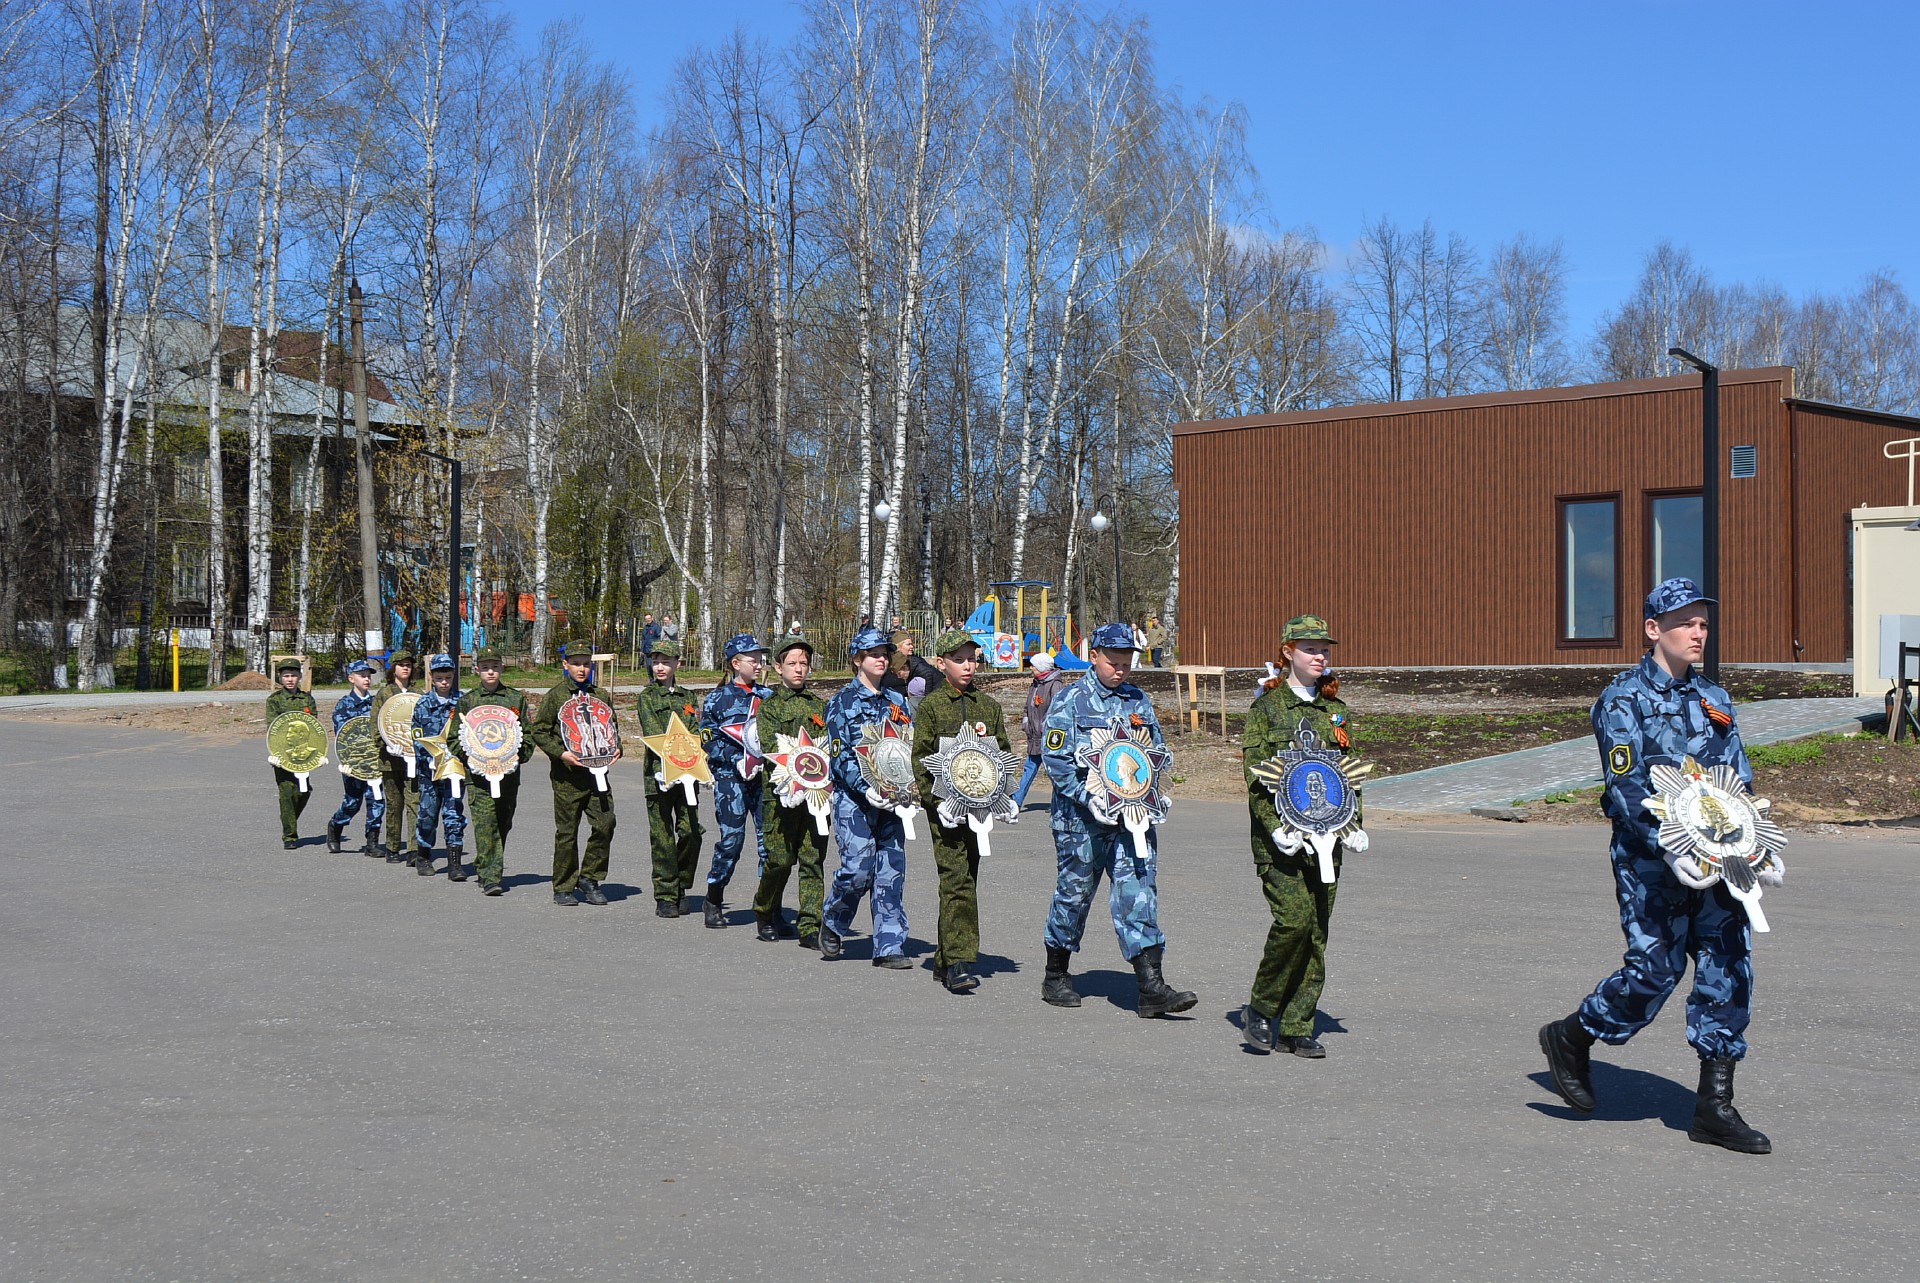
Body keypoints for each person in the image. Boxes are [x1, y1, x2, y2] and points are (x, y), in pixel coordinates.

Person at [1538, 578, 1779, 1154]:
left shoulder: (1716, 701)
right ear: (1653, 630)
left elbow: (1736, 784)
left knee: (1729, 970)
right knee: (1655, 971)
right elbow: (1624, 791)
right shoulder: (1622, 702)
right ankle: (1573, 1035)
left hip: (1716, 863)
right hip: (1652, 861)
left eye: (1703, 622)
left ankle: (1714, 1107)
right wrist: (1676, 849)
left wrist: (1749, 849)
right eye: (1685, 623)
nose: (1698, 632)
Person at [1039, 621, 1195, 1018]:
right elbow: (1056, 761)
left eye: (1127, 662)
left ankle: (1150, 986)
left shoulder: (1137, 701)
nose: (1120, 669)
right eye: (1113, 661)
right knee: (1074, 896)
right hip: (1082, 821)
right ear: (1094, 657)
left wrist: (1150, 793)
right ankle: (1056, 972)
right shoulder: (1069, 700)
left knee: (1138, 892)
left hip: (1132, 820)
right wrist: (1088, 799)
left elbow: (1154, 751)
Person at [1238, 615, 1365, 1058]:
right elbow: (1256, 780)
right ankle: (1261, 1006)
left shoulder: (1336, 712)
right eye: (1310, 648)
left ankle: (1297, 1024)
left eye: (1325, 649)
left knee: (1316, 931)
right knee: (1293, 921)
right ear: (1288, 652)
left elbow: (1348, 777)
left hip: (1328, 840)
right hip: (1281, 845)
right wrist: (1276, 831)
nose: (1319, 656)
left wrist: (1355, 826)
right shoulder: (1267, 710)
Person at [913, 630, 1013, 994]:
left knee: (967, 877)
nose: (968, 665)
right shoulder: (932, 707)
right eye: (959, 658)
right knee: (956, 880)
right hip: (945, 812)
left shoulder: (989, 707)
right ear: (942, 663)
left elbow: (1001, 755)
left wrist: (1006, 795)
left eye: (972, 658)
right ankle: (959, 961)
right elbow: (921, 759)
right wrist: (936, 804)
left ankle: (944, 957)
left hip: (980, 812)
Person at [820, 626, 913, 967]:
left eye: (885, 653)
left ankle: (889, 945)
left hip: (891, 801)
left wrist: (909, 790)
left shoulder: (897, 701)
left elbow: (906, 748)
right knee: (858, 870)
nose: (881, 659)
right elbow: (839, 754)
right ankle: (833, 920)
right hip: (854, 801)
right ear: (858, 660)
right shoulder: (842, 702)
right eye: (873, 654)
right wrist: (866, 788)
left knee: (890, 871)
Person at [530, 637, 619, 907]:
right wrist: (561, 753)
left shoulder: (600, 695)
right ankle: (564, 885)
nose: (582, 669)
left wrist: (617, 750)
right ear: (565, 664)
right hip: (568, 777)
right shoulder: (556, 696)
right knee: (567, 832)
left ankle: (590, 877)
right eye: (576, 664)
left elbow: (611, 727)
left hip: (597, 775)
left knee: (605, 823)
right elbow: (540, 731)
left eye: (586, 664)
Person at [753, 635, 830, 944]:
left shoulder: (819, 706)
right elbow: (772, 748)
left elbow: (827, 747)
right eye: (792, 663)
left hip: (816, 797)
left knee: (813, 859)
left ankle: (810, 925)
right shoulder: (769, 708)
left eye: (804, 664)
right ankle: (765, 909)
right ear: (778, 667)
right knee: (780, 860)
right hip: (781, 796)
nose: (799, 669)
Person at [699, 633, 772, 927]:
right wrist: (734, 759)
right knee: (732, 840)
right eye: (752, 659)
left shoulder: (767, 697)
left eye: (760, 659)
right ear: (735, 663)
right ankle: (713, 898)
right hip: (731, 779)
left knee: (769, 844)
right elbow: (707, 739)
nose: (758, 664)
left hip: (763, 778)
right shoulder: (717, 699)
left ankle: (768, 906)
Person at [455, 648, 535, 896]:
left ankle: (485, 862)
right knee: (484, 823)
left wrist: (516, 758)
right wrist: (473, 758)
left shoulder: (514, 699)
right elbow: (453, 739)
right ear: (477, 670)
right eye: (485, 667)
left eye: (495, 666)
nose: (490, 671)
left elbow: (527, 734)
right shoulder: (467, 701)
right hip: (478, 777)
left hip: (508, 775)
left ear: (502, 668)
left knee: (503, 822)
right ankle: (491, 876)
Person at [637, 639, 704, 916]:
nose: (660, 667)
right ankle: (666, 894)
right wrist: (681, 751)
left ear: (678, 663)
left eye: (666, 661)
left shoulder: (688, 698)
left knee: (691, 831)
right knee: (662, 836)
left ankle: (681, 885)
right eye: (656, 661)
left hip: (688, 775)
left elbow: (695, 730)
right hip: (659, 776)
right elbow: (657, 734)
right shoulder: (647, 697)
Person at [412, 653, 467, 879]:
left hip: (454, 770)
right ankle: (424, 855)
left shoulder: (462, 702)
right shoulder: (423, 704)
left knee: (454, 814)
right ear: (431, 678)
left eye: (448, 677)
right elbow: (417, 737)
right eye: (439, 678)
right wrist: (428, 760)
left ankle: (455, 863)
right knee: (427, 814)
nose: (444, 682)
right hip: (430, 772)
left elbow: (469, 734)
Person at [325, 659, 386, 857]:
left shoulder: (376, 702)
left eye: (369, 675)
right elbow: (342, 735)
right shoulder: (344, 705)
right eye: (362, 675)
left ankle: (372, 842)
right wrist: (344, 761)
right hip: (353, 761)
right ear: (351, 678)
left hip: (374, 761)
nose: (367, 679)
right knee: (352, 802)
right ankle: (335, 826)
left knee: (376, 800)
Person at [373, 651, 422, 868]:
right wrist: (385, 744)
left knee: (415, 803)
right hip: (390, 759)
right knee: (394, 804)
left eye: (408, 665)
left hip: (413, 759)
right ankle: (392, 847)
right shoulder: (384, 694)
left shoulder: (418, 694)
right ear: (393, 668)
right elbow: (376, 725)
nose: (405, 668)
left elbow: (424, 723)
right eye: (401, 665)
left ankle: (413, 849)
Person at [266, 657, 317, 849]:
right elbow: (273, 727)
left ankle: (288, 818)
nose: (290, 679)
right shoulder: (275, 700)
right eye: (286, 676)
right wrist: (276, 753)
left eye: (293, 676)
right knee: (287, 792)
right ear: (280, 678)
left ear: (299, 677)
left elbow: (314, 726)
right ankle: (290, 836)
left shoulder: (307, 699)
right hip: (283, 752)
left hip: (304, 752)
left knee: (304, 790)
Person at [1010, 651, 1065, 817]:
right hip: (1034, 736)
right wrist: (1026, 722)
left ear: (1041, 667)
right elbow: (1028, 706)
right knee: (1029, 768)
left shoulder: (1055, 684)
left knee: (1053, 771)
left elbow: (1056, 709)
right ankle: (1016, 802)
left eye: (1033, 665)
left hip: (1049, 738)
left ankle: (1061, 804)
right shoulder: (1035, 683)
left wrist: (1045, 726)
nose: (1031, 667)